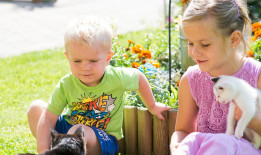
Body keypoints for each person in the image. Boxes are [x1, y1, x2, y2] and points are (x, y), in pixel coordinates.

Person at [27, 16, 171, 155]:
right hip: (69, 131)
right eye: (77, 61)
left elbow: (139, 78)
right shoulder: (67, 84)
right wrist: (43, 150)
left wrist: (152, 106)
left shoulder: (116, 77)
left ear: (108, 58)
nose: (85, 67)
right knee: (36, 108)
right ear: (68, 57)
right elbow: (48, 118)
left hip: (103, 141)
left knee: (79, 130)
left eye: (93, 61)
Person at [169, 0, 261, 154]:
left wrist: (255, 122)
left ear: (234, 39)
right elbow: (183, 131)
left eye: (204, 44)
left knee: (222, 143)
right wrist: (177, 146)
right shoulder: (191, 80)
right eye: (190, 43)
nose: (194, 52)